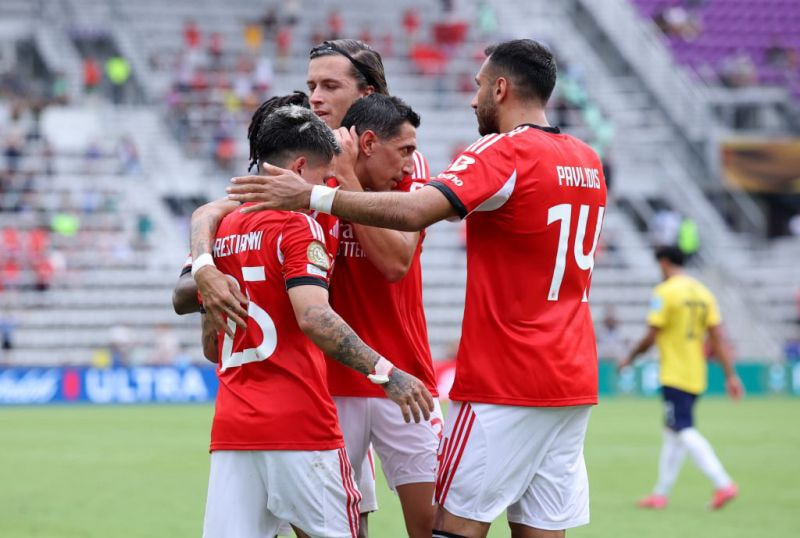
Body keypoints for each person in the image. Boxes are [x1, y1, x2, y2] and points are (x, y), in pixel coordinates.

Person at [225, 38, 607, 538]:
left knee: (444, 527)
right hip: (339, 378)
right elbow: (232, 206)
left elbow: (398, 256)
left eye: (329, 85)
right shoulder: (586, 157)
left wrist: (320, 194)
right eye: (311, 85)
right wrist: (203, 260)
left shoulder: (414, 160)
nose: (315, 96)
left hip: (458, 374)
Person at [195, 105, 433, 538]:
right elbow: (315, 316)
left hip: (233, 430)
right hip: (299, 425)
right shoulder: (298, 225)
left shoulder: (224, 231)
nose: (328, 188)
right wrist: (388, 373)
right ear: (301, 167)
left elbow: (212, 347)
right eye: (326, 178)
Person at [618, 246, 743, 511]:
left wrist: (630, 358)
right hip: (696, 373)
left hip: (674, 373)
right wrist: (730, 375)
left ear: (664, 263)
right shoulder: (703, 292)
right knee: (672, 432)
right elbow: (718, 337)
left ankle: (723, 483)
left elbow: (651, 335)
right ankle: (660, 494)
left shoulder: (664, 293)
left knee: (682, 430)